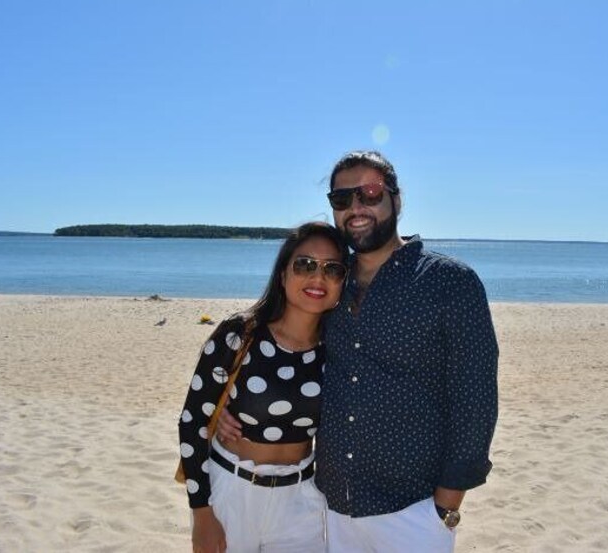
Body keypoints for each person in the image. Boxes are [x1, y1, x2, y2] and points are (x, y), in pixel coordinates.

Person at [219, 151, 499, 552]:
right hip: (331, 506)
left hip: (414, 509)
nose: (356, 207)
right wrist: (232, 403)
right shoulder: (331, 279)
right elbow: (287, 344)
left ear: (396, 200)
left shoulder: (450, 283)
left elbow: (476, 400)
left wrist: (446, 506)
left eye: (369, 193)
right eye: (341, 199)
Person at [178, 222, 348, 553]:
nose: (318, 277)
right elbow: (192, 422)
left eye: (333, 269)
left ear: (343, 282)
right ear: (283, 274)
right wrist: (201, 512)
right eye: (305, 264)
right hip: (232, 493)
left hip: (302, 498)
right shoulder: (239, 334)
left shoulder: (340, 349)